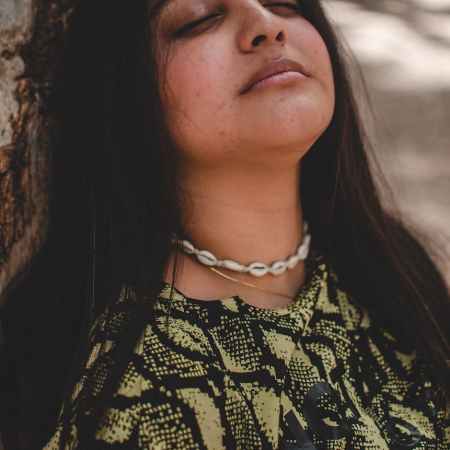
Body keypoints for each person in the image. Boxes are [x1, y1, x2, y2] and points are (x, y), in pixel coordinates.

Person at [6, 0, 449, 449]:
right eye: (199, 19)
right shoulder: (151, 394)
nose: (267, 25)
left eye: (282, 3)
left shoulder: (385, 267)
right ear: (127, 88)